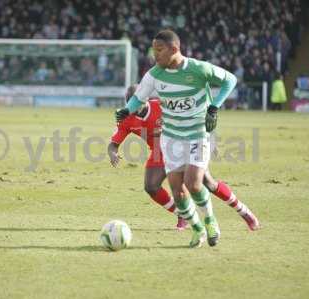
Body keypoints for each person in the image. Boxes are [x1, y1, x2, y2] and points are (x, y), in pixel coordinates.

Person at [115, 29, 236, 248]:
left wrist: (214, 107)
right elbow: (138, 98)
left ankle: (210, 222)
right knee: (178, 190)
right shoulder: (154, 74)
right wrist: (126, 110)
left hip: (197, 133)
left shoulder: (198, 68)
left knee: (194, 183)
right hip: (171, 137)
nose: (155, 55)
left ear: (174, 49)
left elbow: (230, 80)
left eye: (159, 50)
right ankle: (197, 229)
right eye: (154, 51)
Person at [109, 85, 260, 233]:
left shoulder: (163, 105)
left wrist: (210, 138)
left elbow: (196, 115)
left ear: (145, 99)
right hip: (160, 152)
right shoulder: (126, 118)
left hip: (185, 143)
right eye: (129, 103)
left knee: (208, 183)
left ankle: (244, 212)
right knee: (151, 186)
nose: (132, 107)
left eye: (135, 102)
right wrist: (113, 153)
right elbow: (113, 144)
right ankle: (183, 214)